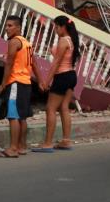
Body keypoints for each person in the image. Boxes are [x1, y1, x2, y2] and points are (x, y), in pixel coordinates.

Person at [0, 15, 46, 158]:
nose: (7, 28)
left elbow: (9, 64)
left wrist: (3, 84)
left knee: (13, 116)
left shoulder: (14, 42)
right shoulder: (26, 42)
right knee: (22, 117)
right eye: (6, 25)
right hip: (26, 83)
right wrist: (41, 81)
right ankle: (22, 146)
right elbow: (34, 63)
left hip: (15, 82)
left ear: (18, 27)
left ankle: (12, 148)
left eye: (10, 26)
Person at [33, 15, 80, 153]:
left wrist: (46, 82)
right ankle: (66, 140)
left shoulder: (63, 41)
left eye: (56, 26)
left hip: (62, 76)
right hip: (71, 75)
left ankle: (47, 143)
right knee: (64, 107)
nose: (55, 29)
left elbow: (56, 64)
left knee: (50, 109)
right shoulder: (71, 40)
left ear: (63, 27)